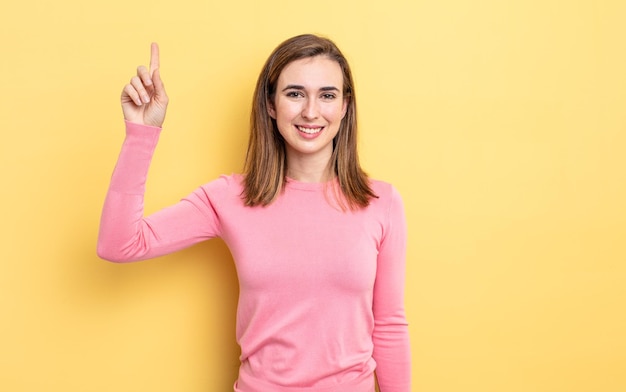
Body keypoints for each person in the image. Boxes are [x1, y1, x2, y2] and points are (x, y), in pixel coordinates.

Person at [98, 34, 410, 392]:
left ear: (344, 106)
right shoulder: (229, 197)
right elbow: (119, 244)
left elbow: (389, 325)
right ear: (271, 104)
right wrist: (142, 132)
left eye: (327, 95)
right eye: (294, 93)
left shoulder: (381, 202)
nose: (311, 111)